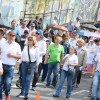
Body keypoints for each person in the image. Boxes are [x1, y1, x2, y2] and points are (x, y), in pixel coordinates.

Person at [0, 30, 21, 100]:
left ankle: (7, 94)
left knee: (7, 83)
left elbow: (20, 56)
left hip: (10, 67)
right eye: (10, 35)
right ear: (7, 36)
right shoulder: (2, 43)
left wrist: (12, 55)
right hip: (1, 66)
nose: (11, 37)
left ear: (15, 37)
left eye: (13, 36)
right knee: (0, 82)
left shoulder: (17, 45)